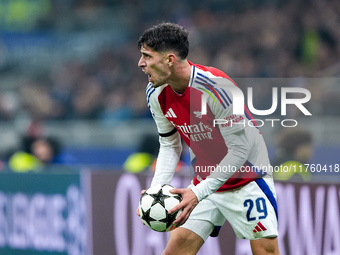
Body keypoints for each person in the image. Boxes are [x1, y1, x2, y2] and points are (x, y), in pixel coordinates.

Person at [136, 22, 280, 255]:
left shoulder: (216, 87)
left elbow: (239, 151)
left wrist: (198, 192)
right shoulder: (155, 92)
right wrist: (157, 190)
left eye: (147, 56)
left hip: (247, 178)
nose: (140, 63)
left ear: (170, 59)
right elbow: (170, 144)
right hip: (205, 181)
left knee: (266, 251)